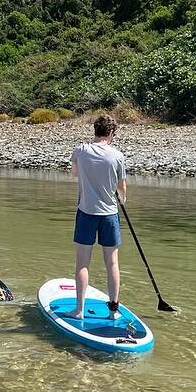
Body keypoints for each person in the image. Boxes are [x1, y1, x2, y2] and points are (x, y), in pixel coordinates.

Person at [63, 113, 127, 320]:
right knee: (112, 263)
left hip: (86, 213)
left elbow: (74, 173)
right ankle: (113, 311)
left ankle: (79, 310)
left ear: (95, 130)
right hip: (109, 214)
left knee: (82, 263)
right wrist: (122, 199)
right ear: (111, 133)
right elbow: (122, 187)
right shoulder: (117, 155)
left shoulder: (81, 150)